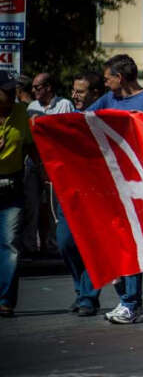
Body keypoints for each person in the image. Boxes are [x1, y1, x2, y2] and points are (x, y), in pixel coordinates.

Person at [72, 55, 143, 323]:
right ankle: (129, 300)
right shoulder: (108, 101)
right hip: (113, 182)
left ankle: (132, 301)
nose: (105, 82)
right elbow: (82, 122)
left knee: (136, 242)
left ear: (120, 78)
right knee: (123, 241)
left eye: (108, 78)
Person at [23, 73, 74, 257]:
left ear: (49, 87)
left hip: (55, 162)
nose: (34, 91)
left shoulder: (64, 104)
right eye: (33, 88)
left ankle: (52, 245)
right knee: (31, 204)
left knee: (55, 206)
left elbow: (67, 133)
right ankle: (29, 246)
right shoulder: (31, 107)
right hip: (34, 161)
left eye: (38, 87)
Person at [0, 72, 32, 317]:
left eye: (14, 91)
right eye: (6, 91)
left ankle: (6, 301)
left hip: (13, 187)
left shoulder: (22, 113)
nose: (12, 96)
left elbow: (31, 146)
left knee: (10, 244)